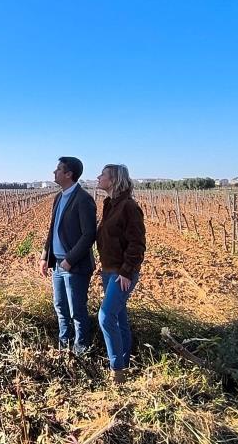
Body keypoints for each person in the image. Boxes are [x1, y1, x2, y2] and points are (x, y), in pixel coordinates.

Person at [39, 157, 97, 354]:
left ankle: (81, 349)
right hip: (57, 265)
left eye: (58, 169)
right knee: (60, 308)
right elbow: (52, 229)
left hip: (74, 266)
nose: (54, 172)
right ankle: (64, 346)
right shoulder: (58, 197)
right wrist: (45, 257)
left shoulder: (83, 199)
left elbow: (89, 234)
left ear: (68, 174)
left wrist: (69, 261)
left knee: (77, 311)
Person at [95, 164, 146, 383]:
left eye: (103, 175)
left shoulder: (129, 207)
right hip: (109, 271)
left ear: (114, 180)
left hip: (121, 273)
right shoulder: (109, 204)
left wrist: (126, 272)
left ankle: (116, 370)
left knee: (105, 316)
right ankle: (125, 363)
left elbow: (137, 244)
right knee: (119, 318)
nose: (98, 177)